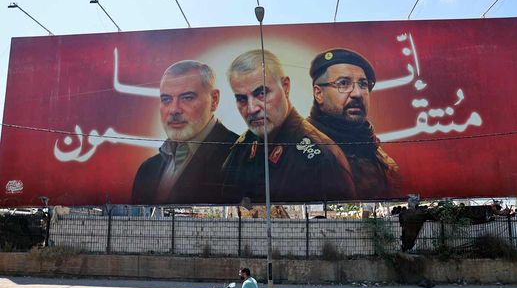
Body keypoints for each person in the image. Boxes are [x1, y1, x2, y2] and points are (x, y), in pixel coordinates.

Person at [222, 49, 356, 203]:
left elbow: (335, 219)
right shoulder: (242, 148)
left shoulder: (321, 158)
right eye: (242, 99)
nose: (252, 109)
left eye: (261, 93)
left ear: (285, 87)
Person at [132, 60, 238, 204]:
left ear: (214, 100)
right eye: (166, 99)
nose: (174, 109)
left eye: (187, 98)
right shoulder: (147, 169)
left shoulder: (240, 156)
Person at [307, 48, 399, 199]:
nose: (357, 93)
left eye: (363, 84)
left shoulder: (378, 155)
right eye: (343, 83)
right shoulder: (301, 146)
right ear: (319, 94)